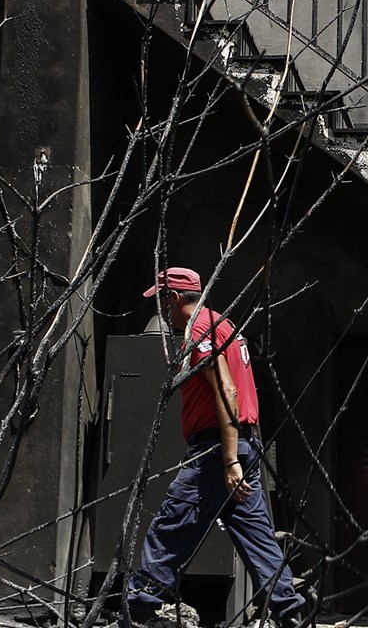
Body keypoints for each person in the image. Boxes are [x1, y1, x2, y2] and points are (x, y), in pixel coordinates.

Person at [126, 267, 305, 628]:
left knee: (172, 525)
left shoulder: (200, 330)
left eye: (161, 299)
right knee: (255, 534)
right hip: (244, 446)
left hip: (218, 451)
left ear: (173, 297)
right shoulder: (224, 323)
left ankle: (139, 607)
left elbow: (227, 391)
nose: (159, 307)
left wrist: (227, 461)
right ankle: (290, 611)